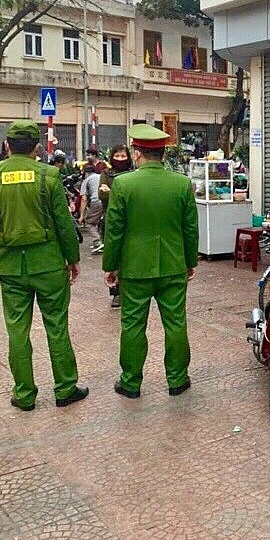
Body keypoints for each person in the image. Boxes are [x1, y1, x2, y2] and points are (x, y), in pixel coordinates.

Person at [0, 119, 88, 411]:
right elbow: (63, 224)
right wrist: (73, 258)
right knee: (56, 326)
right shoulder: (49, 175)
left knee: (17, 330)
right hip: (49, 264)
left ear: (6, 146)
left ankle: (25, 394)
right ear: (37, 147)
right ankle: (66, 388)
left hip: (10, 267)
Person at [103, 123, 199, 399]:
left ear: (137, 153)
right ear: (162, 154)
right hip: (173, 266)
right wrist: (190, 260)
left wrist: (111, 265)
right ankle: (178, 380)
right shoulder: (181, 184)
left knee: (133, 325)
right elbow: (190, 228)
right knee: (176, 323)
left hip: (135, 269)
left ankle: (131, 382)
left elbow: (115, 229)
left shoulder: (123, 184)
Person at [98, 145, 133, 307]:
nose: (120, 159)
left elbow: (133, 197)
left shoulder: (133, 173)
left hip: (131, 220)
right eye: (117, 156)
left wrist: (111, 192)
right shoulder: (106, 173)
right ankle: (115, 291)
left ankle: (130, 287)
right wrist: (117, 194)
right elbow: (101, 194)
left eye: (123, 156)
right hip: (110, 220)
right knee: (113, 255)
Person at [79, 164, 103, 252]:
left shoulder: (86, 180)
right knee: (100, 221)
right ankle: (102, 241)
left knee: (89, 222)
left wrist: (82, 216)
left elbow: (84, 199)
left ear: (86, 173)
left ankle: (97, 242)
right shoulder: (101, 176)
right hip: (107, 200)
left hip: (96, 201)